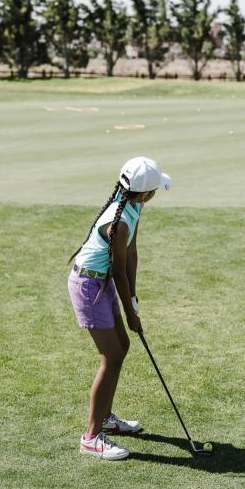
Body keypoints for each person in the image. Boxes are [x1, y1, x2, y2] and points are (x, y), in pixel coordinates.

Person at [67, 156, 172, 459]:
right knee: (111, 356)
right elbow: (118, 269)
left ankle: (106, 420)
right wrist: (130, 313)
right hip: (89, 286)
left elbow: (131, 256)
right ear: (145, 193)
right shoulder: (119, 221)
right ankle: (91, 437)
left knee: (121, 347)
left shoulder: (134, 207)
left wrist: (134, 300)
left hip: (102, 283)